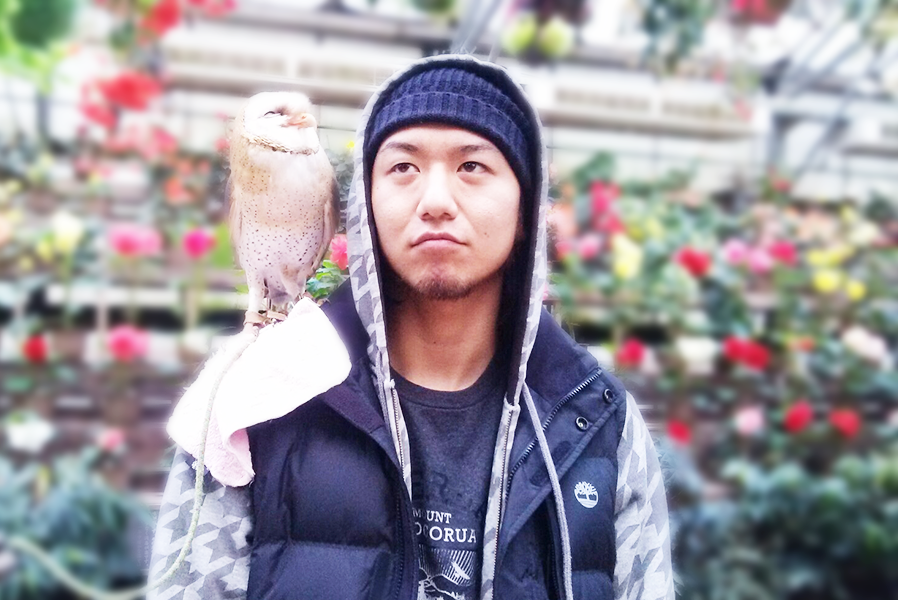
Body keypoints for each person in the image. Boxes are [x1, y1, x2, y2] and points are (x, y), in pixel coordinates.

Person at [147, 55, 673, 600]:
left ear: (525, 208)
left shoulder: (596, 421)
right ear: (365, 203)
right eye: (403, 167)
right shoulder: (254, 399)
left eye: (473, 166)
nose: (436, 201)